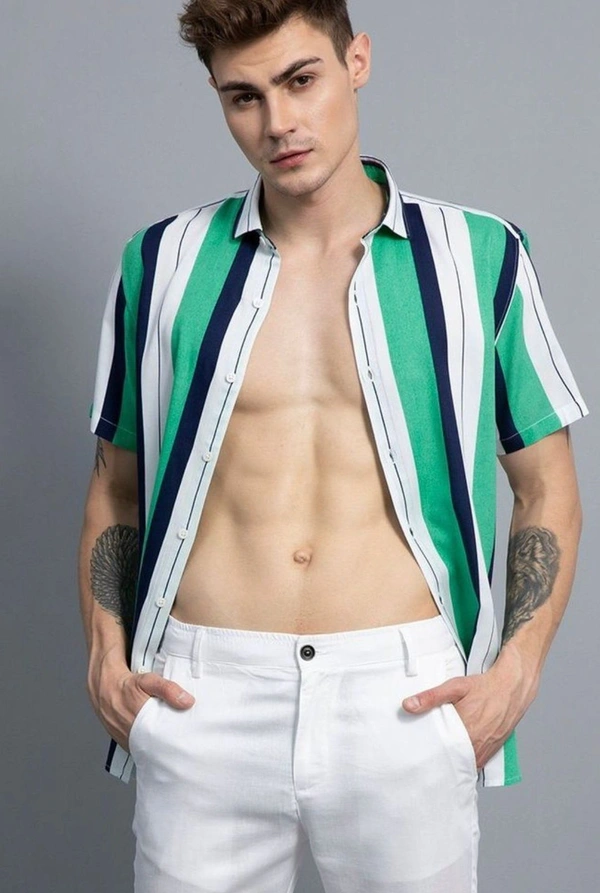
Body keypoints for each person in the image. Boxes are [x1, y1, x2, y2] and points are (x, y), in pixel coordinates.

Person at [78, 1, 589, 891]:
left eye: (300, 80)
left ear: (357, 62)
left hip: (405, 696)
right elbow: (114, 486)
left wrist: (517, 670)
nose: (278, 122)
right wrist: (105, 655)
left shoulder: (480, 256)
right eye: (244, 97)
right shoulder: (159, 263)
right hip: (202, 694)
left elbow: (547, 487)